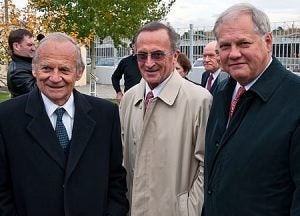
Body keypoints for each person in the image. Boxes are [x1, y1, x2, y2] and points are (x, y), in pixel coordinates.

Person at [0, 32, 129, 215]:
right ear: (34, 69)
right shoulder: (6, 118)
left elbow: (116, 179)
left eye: (64, 70)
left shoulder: (106, 115)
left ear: (79, 72)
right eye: (46, 68)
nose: (55, 77)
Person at [203, 3, 300, 215]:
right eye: (225, 46)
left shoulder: (295, 100)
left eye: (243, 43)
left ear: (267, 42)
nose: (234, 53)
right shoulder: (222, 92)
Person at [120, 22, 212, 215]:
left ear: (175, 56)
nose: (149, 63)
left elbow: (208, 165)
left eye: (158, 54)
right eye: (142, 55)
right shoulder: (129, 98)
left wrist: (188, 210)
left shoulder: (199, 100)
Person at [7, 28, 36, 97]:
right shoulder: (17, 72)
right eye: (29, 45)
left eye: (34, 45)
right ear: (16, 46)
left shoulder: (27, 63)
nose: (34, 48)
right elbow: (36, 93)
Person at [111, 37, 142, 102]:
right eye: (137, 45)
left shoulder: (150, 62)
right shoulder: (125, 62)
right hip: (129, 99)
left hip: (148, 99)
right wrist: (118, 92)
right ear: (133, 46)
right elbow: (115, 77)